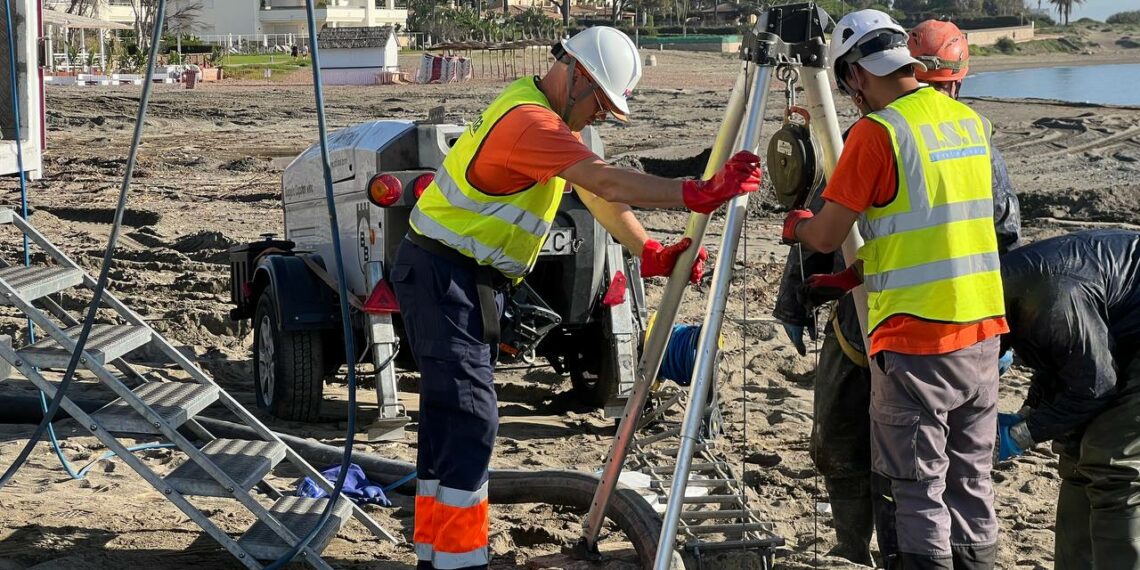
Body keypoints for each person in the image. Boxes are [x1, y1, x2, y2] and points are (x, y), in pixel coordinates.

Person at [391, 26, 762, 570]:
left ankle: (438, 556)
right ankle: (457, 562)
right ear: (579, 79)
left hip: (456, 276)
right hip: (443, 274)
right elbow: (608, 182)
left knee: (452, 419)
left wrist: (647, 248)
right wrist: (696, 192)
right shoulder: (531, 122)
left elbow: (590, 191)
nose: (603, 117)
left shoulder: (544, 115)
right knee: (471, 417)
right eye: (603, 105)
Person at [773, 17, 1022, 566]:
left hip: (914, 344)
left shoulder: (878, 133)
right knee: (970, 481)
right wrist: (856, 275)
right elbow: (949, 231)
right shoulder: (970, 126)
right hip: (981, 335)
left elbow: (828, 231)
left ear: (857, 76)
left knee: (917, 488)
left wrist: (797, 228)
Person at [996, 229, 1140, 570]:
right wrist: (1031, 410)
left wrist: (1022, 433)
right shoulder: (1009, 294)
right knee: (1074, 454)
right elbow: (1063, 360)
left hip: (1128, 334)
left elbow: (1096, 384)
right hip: (1119, 327)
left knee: (1112, 463)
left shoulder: (1048, 297)